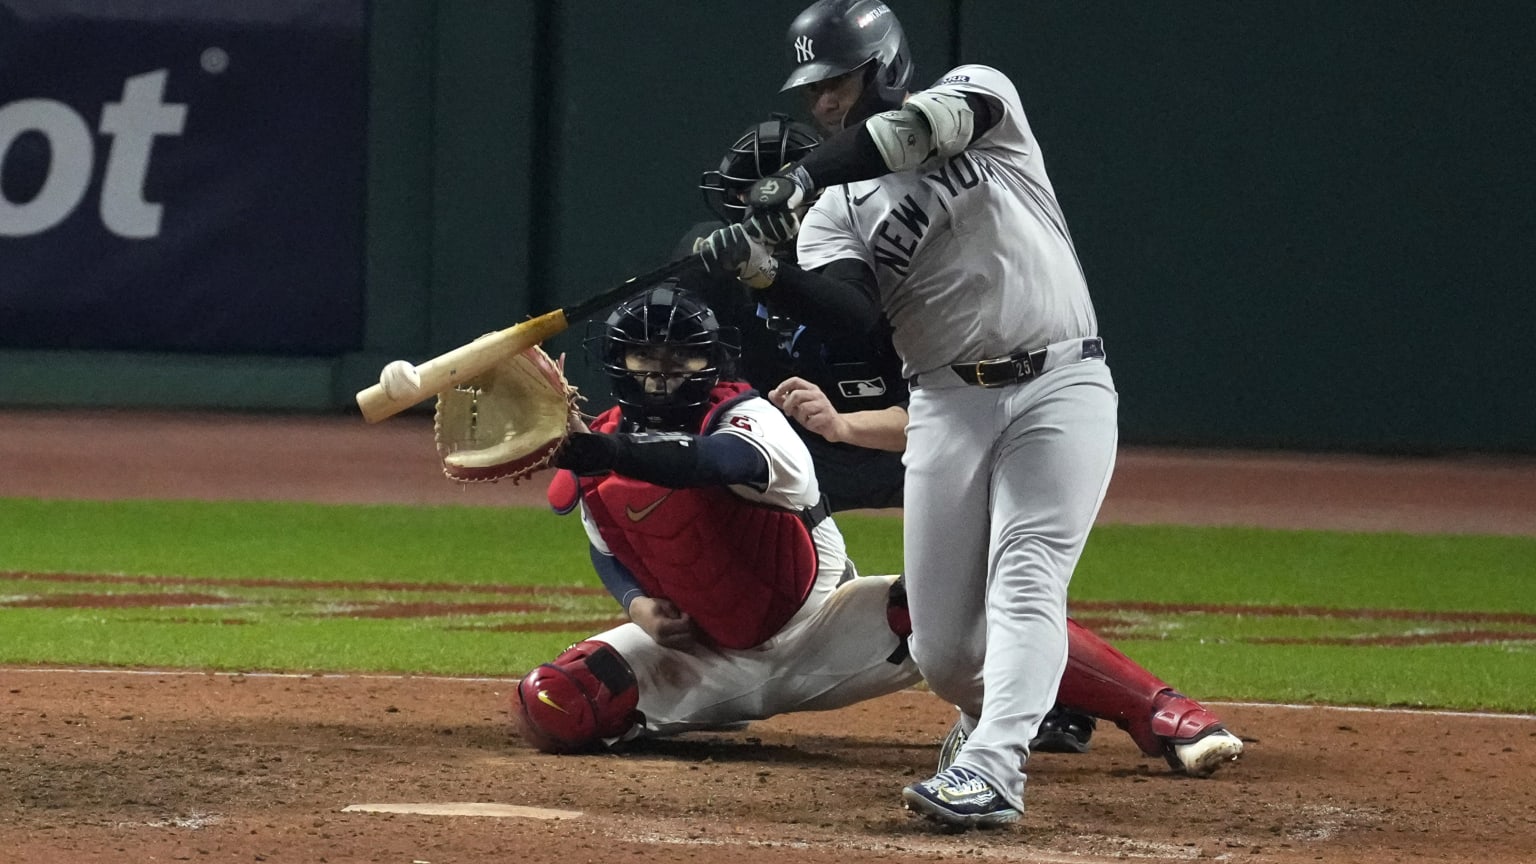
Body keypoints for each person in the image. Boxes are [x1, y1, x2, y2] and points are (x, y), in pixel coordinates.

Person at [695, 0, 1242, 828]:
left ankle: (994, 769)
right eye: (816, 89)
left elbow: (907, 137)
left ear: (882, 66)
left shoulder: (983, 96)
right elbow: (856, 317)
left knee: (1027, 576)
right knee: (943, 652)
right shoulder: (838, 217)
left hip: (1060, 382)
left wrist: (805, 174)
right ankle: (1013, 708)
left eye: (836, 82)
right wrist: (768, 274)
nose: (824, 104)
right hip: (947, 405)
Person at [689, 113, 1102, 753]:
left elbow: (920, 390)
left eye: (761, 194)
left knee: (1017, 576)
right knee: (938, 638)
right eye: (742, 199)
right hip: (825, 449)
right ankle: (734, 649)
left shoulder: (879, 257)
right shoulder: (786, 259)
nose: (747, 210)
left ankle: (1144, 706)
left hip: (919, 432)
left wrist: (847, 424)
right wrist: (734, 273)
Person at [511, 284, 924, 753]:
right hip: (702, 656)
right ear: (616, 362)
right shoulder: (600, 448)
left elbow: (713, 462)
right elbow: (605, 546)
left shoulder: (747, 416)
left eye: (679, 358)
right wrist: (635, 604)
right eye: (643, 357)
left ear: (709, 363)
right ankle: (711, 710)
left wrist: (603, 451)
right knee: (555, 701)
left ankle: (1008, 716)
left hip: (825, 632)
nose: (660, 374)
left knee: (945, 610)